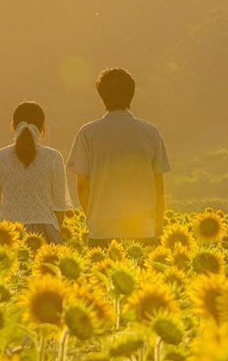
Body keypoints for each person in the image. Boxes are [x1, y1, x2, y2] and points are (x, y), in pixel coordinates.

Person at [66, 67, 170, 247]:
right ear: (132, 94)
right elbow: (158, 187)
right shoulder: (150, 132)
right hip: (141, 228)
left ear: (102, 96)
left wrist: (94, 220)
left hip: (102, 229)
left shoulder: (87, 133)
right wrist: (158, 226)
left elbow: (82, 186)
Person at [0, 101, 71, 243]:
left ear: (13, 126)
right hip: (45, 231)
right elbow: (60, 206)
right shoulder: (54, 157)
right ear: (42, 128)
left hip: (8, 232)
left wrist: (5, 228)